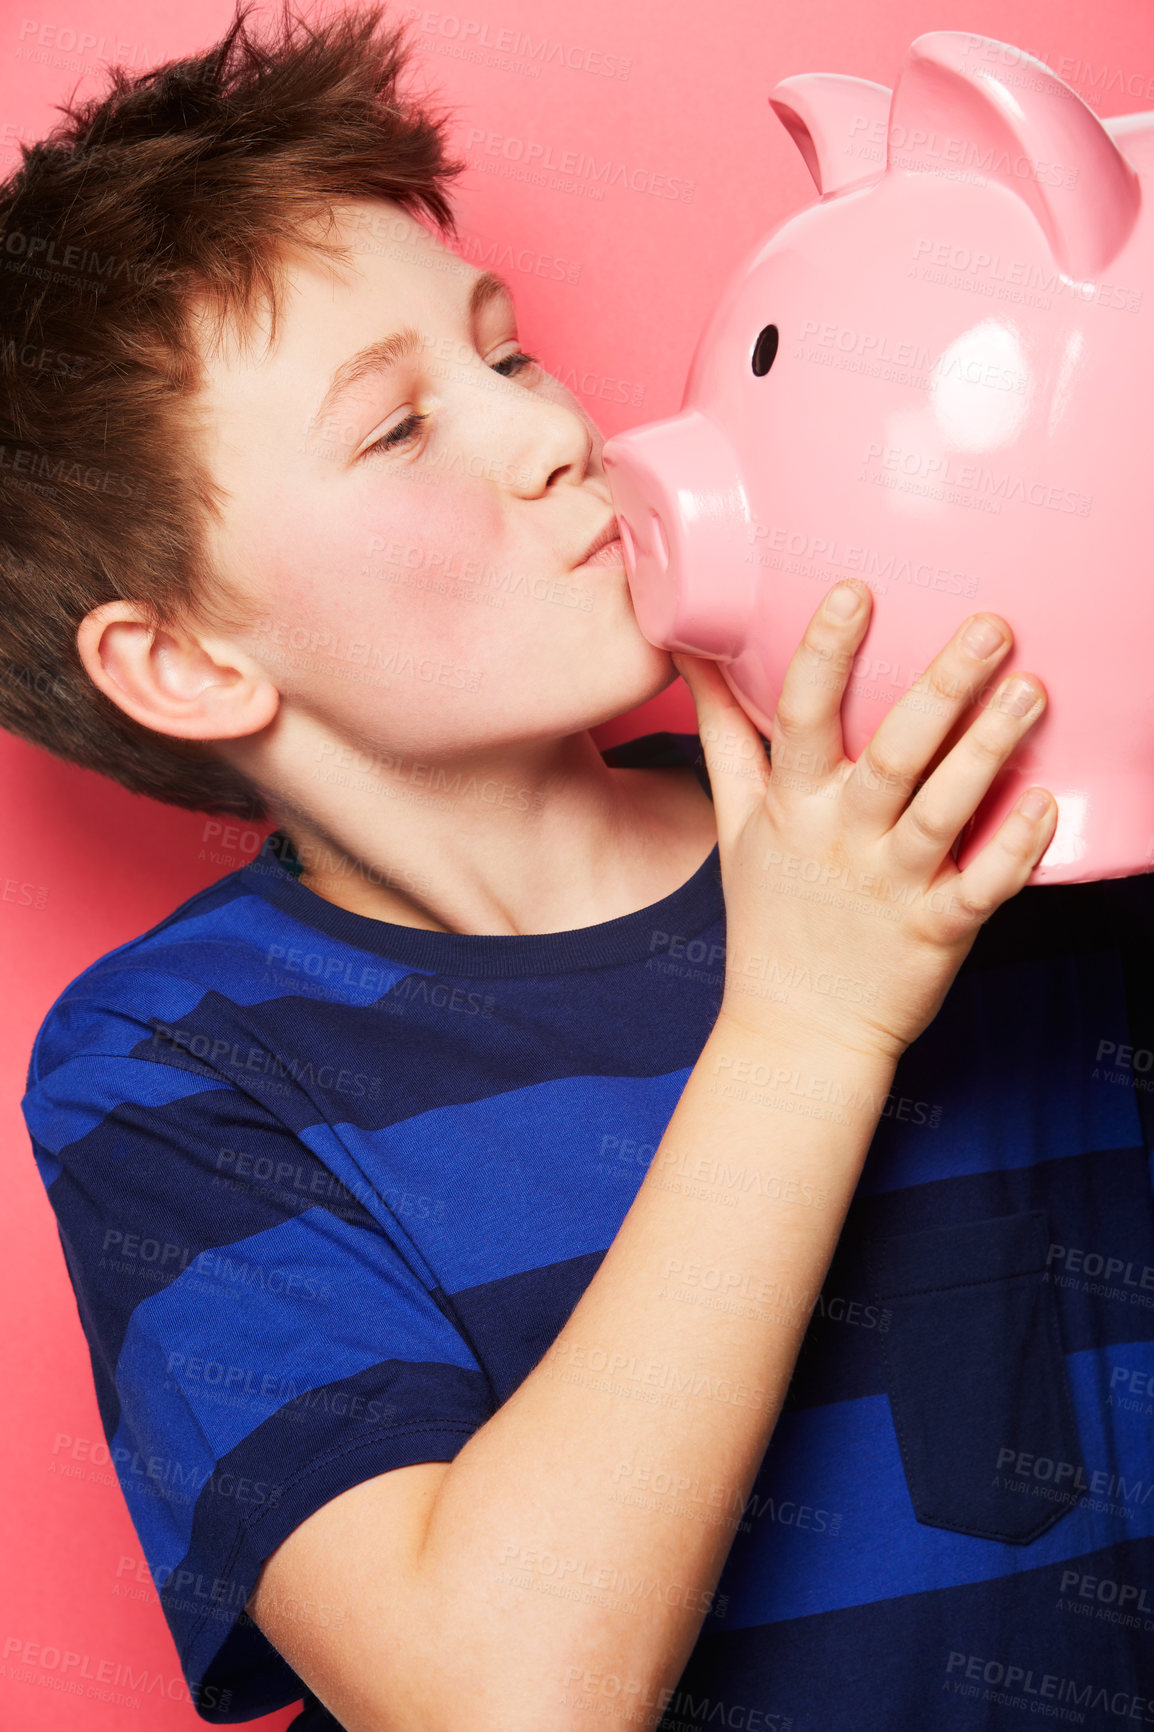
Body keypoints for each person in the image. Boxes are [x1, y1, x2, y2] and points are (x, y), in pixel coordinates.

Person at [8, 5, 1153, 1729]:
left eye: (511, 352)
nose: (557, 435)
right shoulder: (175, 1066)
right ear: (185, 662)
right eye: (397, 430)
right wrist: (806, 1022)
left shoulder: (965, 812)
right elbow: (497, 1700)